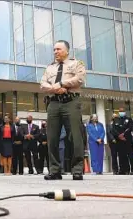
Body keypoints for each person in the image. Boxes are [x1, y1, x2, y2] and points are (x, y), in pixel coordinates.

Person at [40, 40, 86, 180]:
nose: (55, 52)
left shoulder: (76, 64)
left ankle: (77, 170)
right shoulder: (50, 67)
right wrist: (55, 88)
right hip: (53, 103)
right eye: (54, 49)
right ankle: (54, 170)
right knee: (52, 137)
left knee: (75, 136)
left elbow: (79, 79)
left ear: (67, 51)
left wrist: (62, 83)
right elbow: (42, 84)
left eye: (58, 49)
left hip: (71, 101)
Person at [111, 107, 133, 175]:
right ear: (118, 112)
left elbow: (130, 128)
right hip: (120, 140)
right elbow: (113, 129)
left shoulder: (129, 119)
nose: (121, 112)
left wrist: (123, 134)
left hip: (127, 139)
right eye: (120, 111)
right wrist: (119, 135)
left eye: (122, 111)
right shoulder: (116, 120)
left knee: (131, 156)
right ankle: (124, 170)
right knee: (122, 156)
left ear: (125, 112)